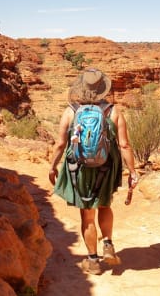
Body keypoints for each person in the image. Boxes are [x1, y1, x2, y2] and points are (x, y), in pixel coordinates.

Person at [48, 68, 139, 275]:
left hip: (80, 168)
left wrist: (53, 166)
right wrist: (132, 171)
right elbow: (124, 145)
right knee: (104, 204)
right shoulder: (113, 112)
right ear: (102, 90)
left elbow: (61, 144)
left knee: (87, 215)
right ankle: (107, 243)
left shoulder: (71, 111)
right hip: (106, 166)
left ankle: (92, 260)